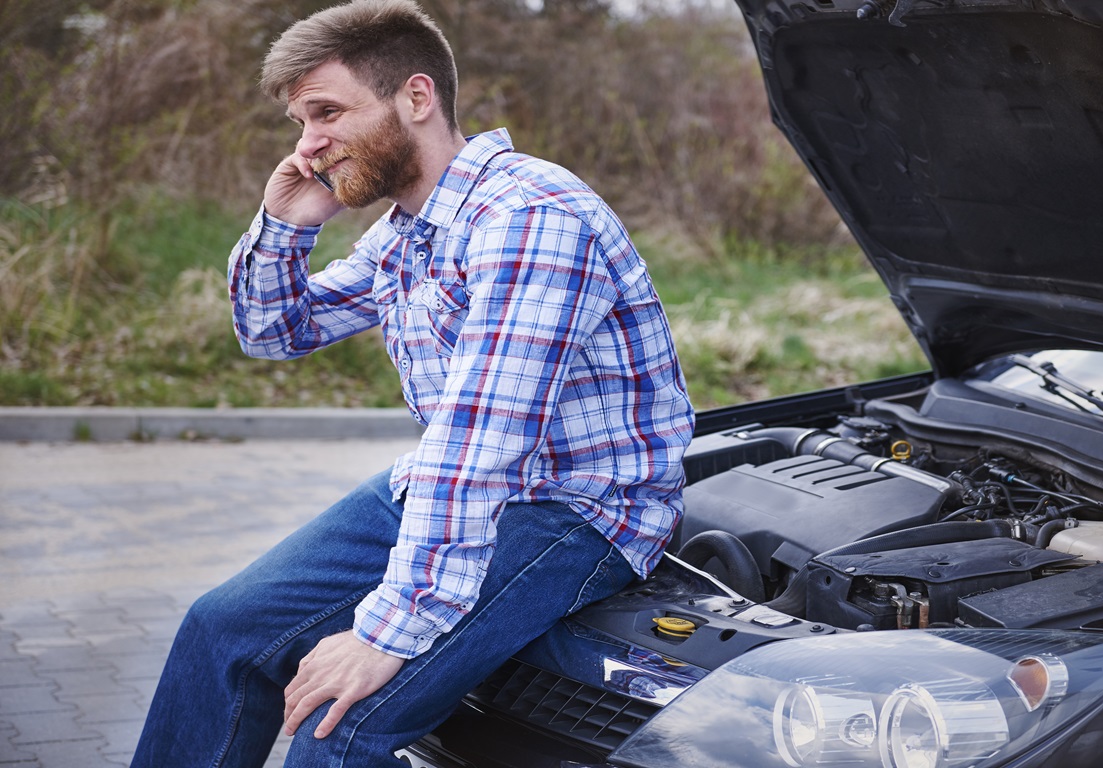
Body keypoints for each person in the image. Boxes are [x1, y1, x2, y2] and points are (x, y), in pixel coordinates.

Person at [130, 0, 693, 765]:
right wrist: (287, 224)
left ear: (416, 98)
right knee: (221, 627)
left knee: (342, 714)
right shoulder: (411, 229)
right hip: (463, 483)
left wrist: (382, 634)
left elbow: (479, 445)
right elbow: (275, 331)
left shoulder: (530, 217)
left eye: (327, 112)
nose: (309, 144)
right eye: (300, 123)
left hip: (580, 507)